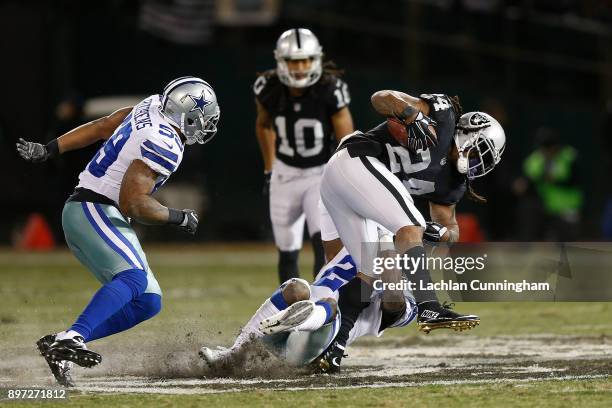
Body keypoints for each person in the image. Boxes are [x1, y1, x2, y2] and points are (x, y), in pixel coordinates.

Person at [16, 76, 220, 387]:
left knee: (148, 300)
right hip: (93, 209)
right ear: (188, 116)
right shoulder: (165, 142)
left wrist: (50, 149)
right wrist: (178, 217)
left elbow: (102, 126)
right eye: (203, 118)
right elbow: (134, 204)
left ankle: (61, 341)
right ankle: (72, 338)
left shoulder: (152, 105)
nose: (205, 125)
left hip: (89, 210)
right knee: (134, 279)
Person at [316, 91, 505, 371]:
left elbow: (451, 229)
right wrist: (411, 114)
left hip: (345, 185)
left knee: (371, 272)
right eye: (479, 152)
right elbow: (380, 97)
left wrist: (439, 232)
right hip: (355, 160)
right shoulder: (442, 116)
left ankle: (331, 349)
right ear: (468, 134)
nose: (476, 163)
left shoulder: (453, 183)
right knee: (410, 225)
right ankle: (428, 305)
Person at [254, 28, 354, 283]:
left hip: (319, 175)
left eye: (305, 60)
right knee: (287, 252)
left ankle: (322, 305)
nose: (299, 67)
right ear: (281, 62)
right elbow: (264, 125)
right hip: (284, 173)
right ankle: (292, 312)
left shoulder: (330, 89)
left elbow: (347, 141)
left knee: (323, 244)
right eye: (293, 61)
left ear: (316, 59)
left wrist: (343, 176)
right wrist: (269, 169)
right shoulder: (269, 87)